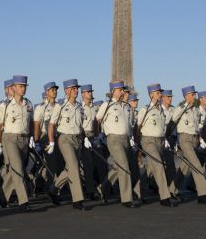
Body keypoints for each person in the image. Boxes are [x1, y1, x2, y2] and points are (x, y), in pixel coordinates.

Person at [96, 80, 140, 208]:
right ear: (113, 91)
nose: (123, 92)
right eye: (120, 89)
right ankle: (126, 198)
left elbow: (130, 125)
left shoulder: (127, 107)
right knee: (124, 166)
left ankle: (102, 188)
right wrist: (99, 135)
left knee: (118, 167)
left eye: (123, 90)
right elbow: (97, 120)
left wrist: (131, 138)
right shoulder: (107, 104)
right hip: (114, 139)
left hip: (125, 139)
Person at [0, 75, 34, 212]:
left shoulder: (29, 104)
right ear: (14, 88)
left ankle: (2, 195)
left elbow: (31, 123)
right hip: (9, 139)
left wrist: (32, 138)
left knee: (15, 170)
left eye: (24, 86)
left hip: (24, 139)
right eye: (20, 86)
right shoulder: (4, 105)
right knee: (18, 169)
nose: (23, 89)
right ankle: (23, 201)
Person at [170, 86, 206, 204]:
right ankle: (203, 194)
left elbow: (198, 128)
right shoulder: (180, 108)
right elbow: (173, 119)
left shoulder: (195, 111)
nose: (194, 97)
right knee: (197, 165)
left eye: (194, 95)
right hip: (184, 139)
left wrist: (201, 140)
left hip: (194, 139)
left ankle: (172, 189)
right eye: (192, 95)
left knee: (185, 166)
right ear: (186, 96)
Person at [47, 79, 88, 210]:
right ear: (67, 91)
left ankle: (53, 189)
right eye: (73, 88)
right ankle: (77, 200)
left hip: (77, 139)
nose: (76, 91)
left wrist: (85, 138)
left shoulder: (79, 106)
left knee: (69, 169)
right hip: (64, 139)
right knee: (74, 165)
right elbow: (51, 125)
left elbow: (81, 126)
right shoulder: (60, 106)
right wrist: (51, 142)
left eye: (76, 88)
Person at [135, 83, 176, 207]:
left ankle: (138, 192)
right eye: (158, 93)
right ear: (151, 94)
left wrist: (166, 140)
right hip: (148, 141)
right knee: (158, 165)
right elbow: (137, 128)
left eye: (160, 93)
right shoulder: (145, 109)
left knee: (151, 169)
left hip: (160, 141)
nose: (160, 95)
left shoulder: (161, 110)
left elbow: (163, 128)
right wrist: (137, 144)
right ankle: (165, 197)